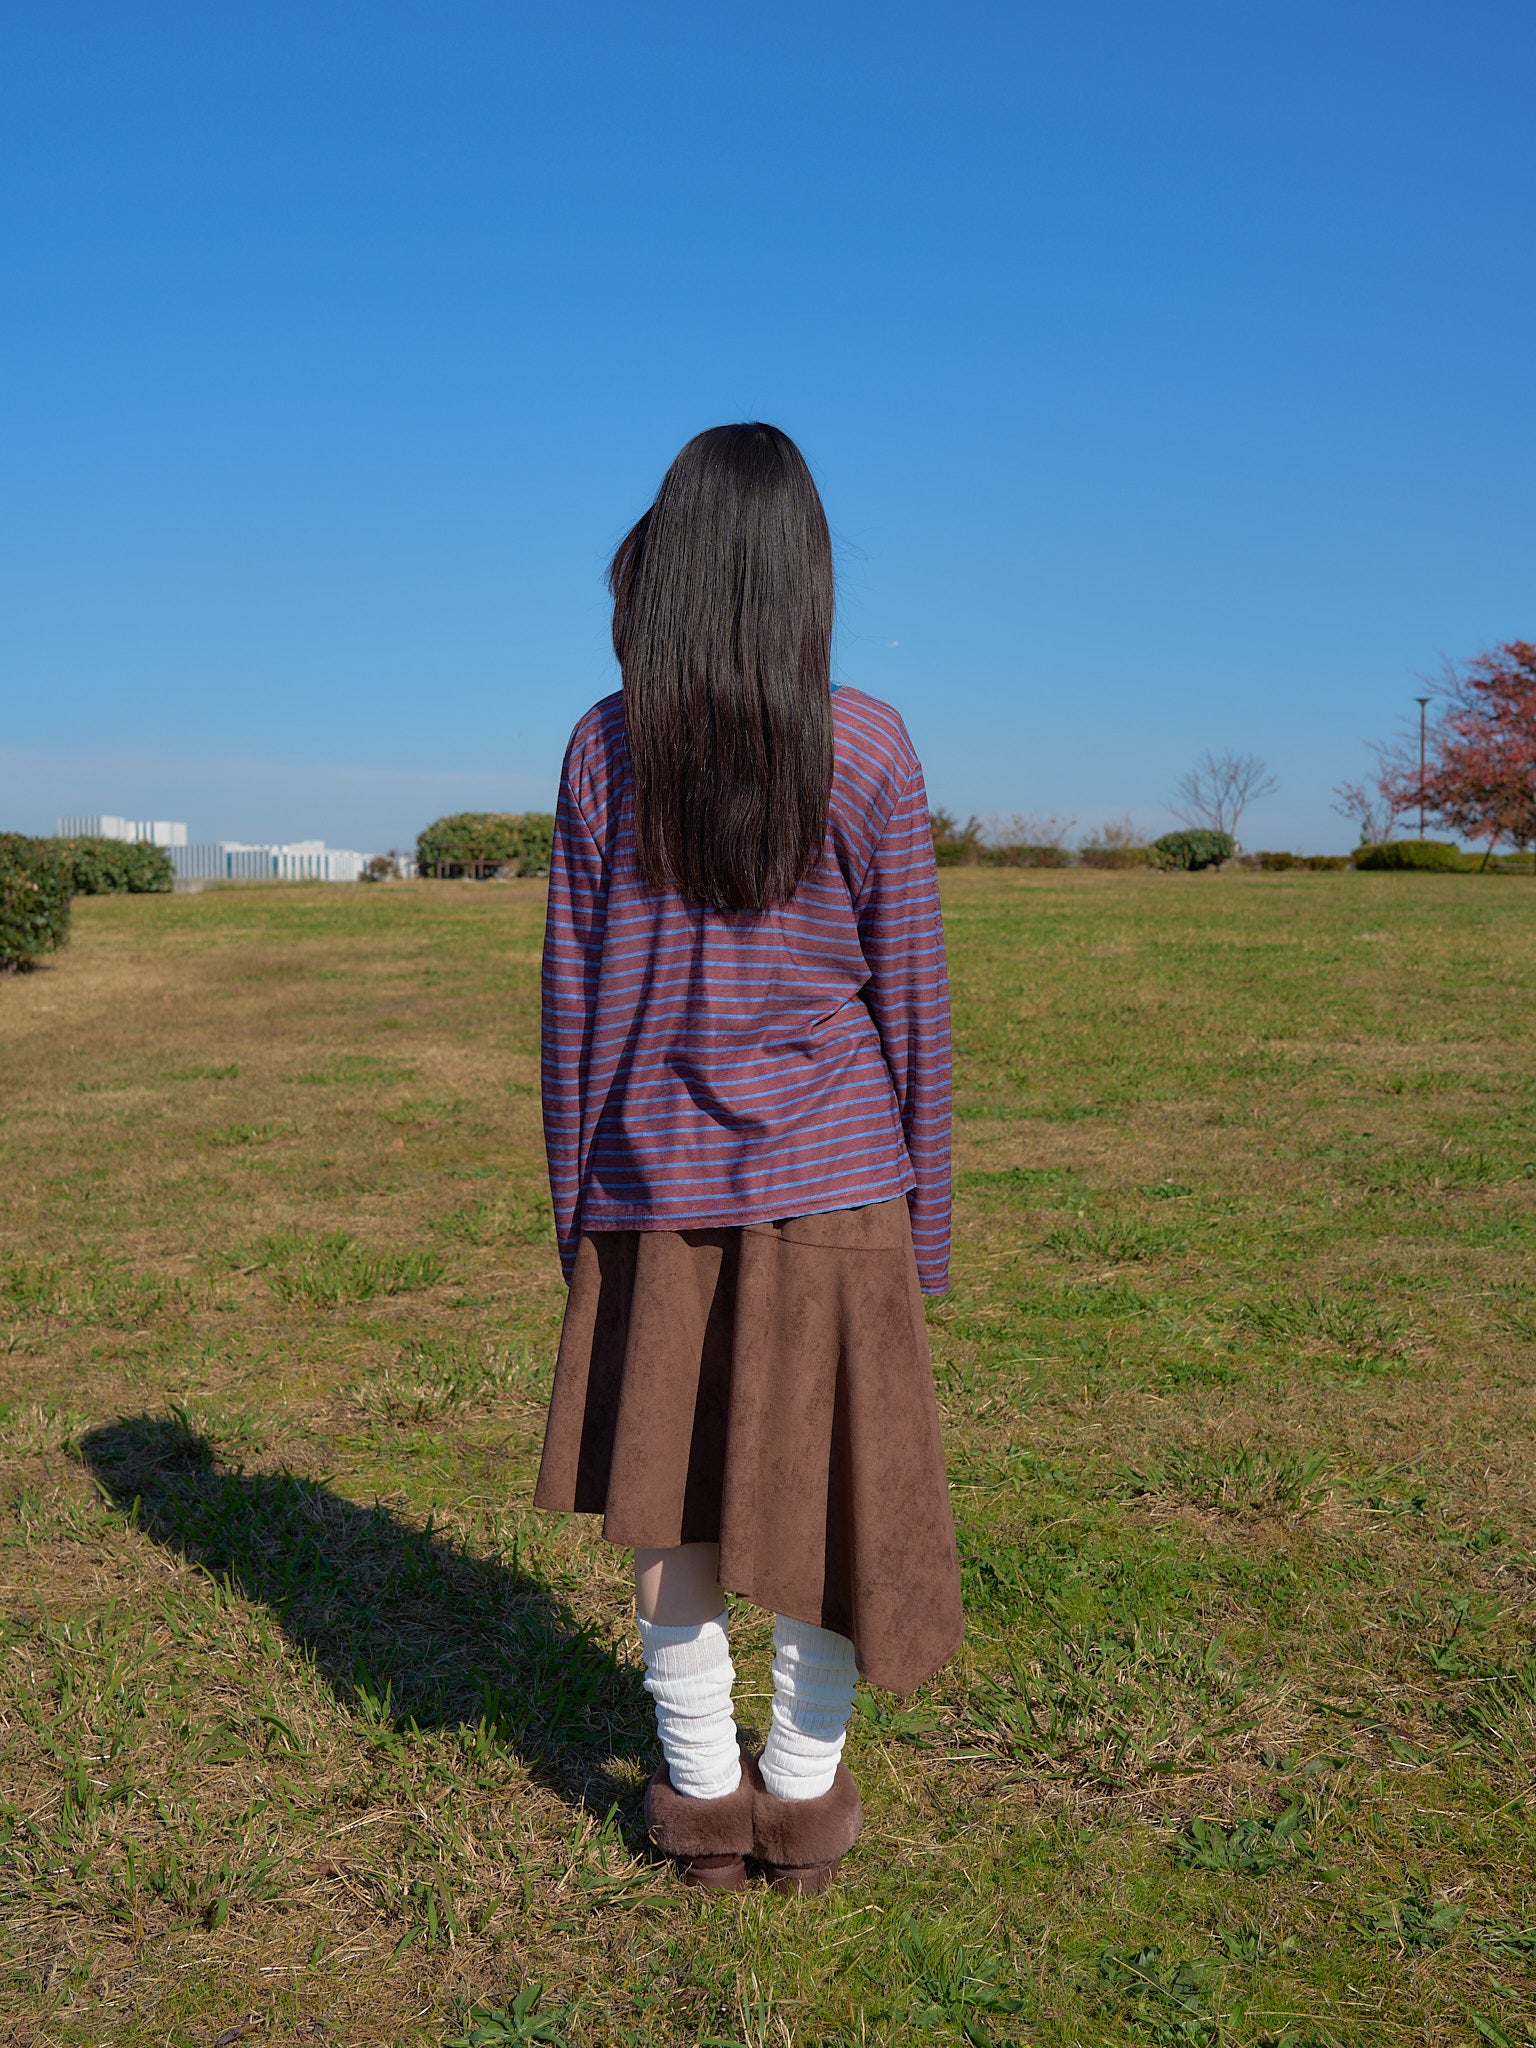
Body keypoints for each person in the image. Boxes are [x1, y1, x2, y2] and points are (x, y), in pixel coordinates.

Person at [532, 422, 962, 1894]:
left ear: (666, 566)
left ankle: (704, 1798)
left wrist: (576, 1219)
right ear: (805, 574)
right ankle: (801, 1793)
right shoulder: (872, 743)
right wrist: (929, 1229)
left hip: (649, 1190)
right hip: (842, 1190)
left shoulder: (605, 745)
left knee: (672, 1498)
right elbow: (915, 1007)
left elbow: (574, 1009)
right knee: (829, 1498)